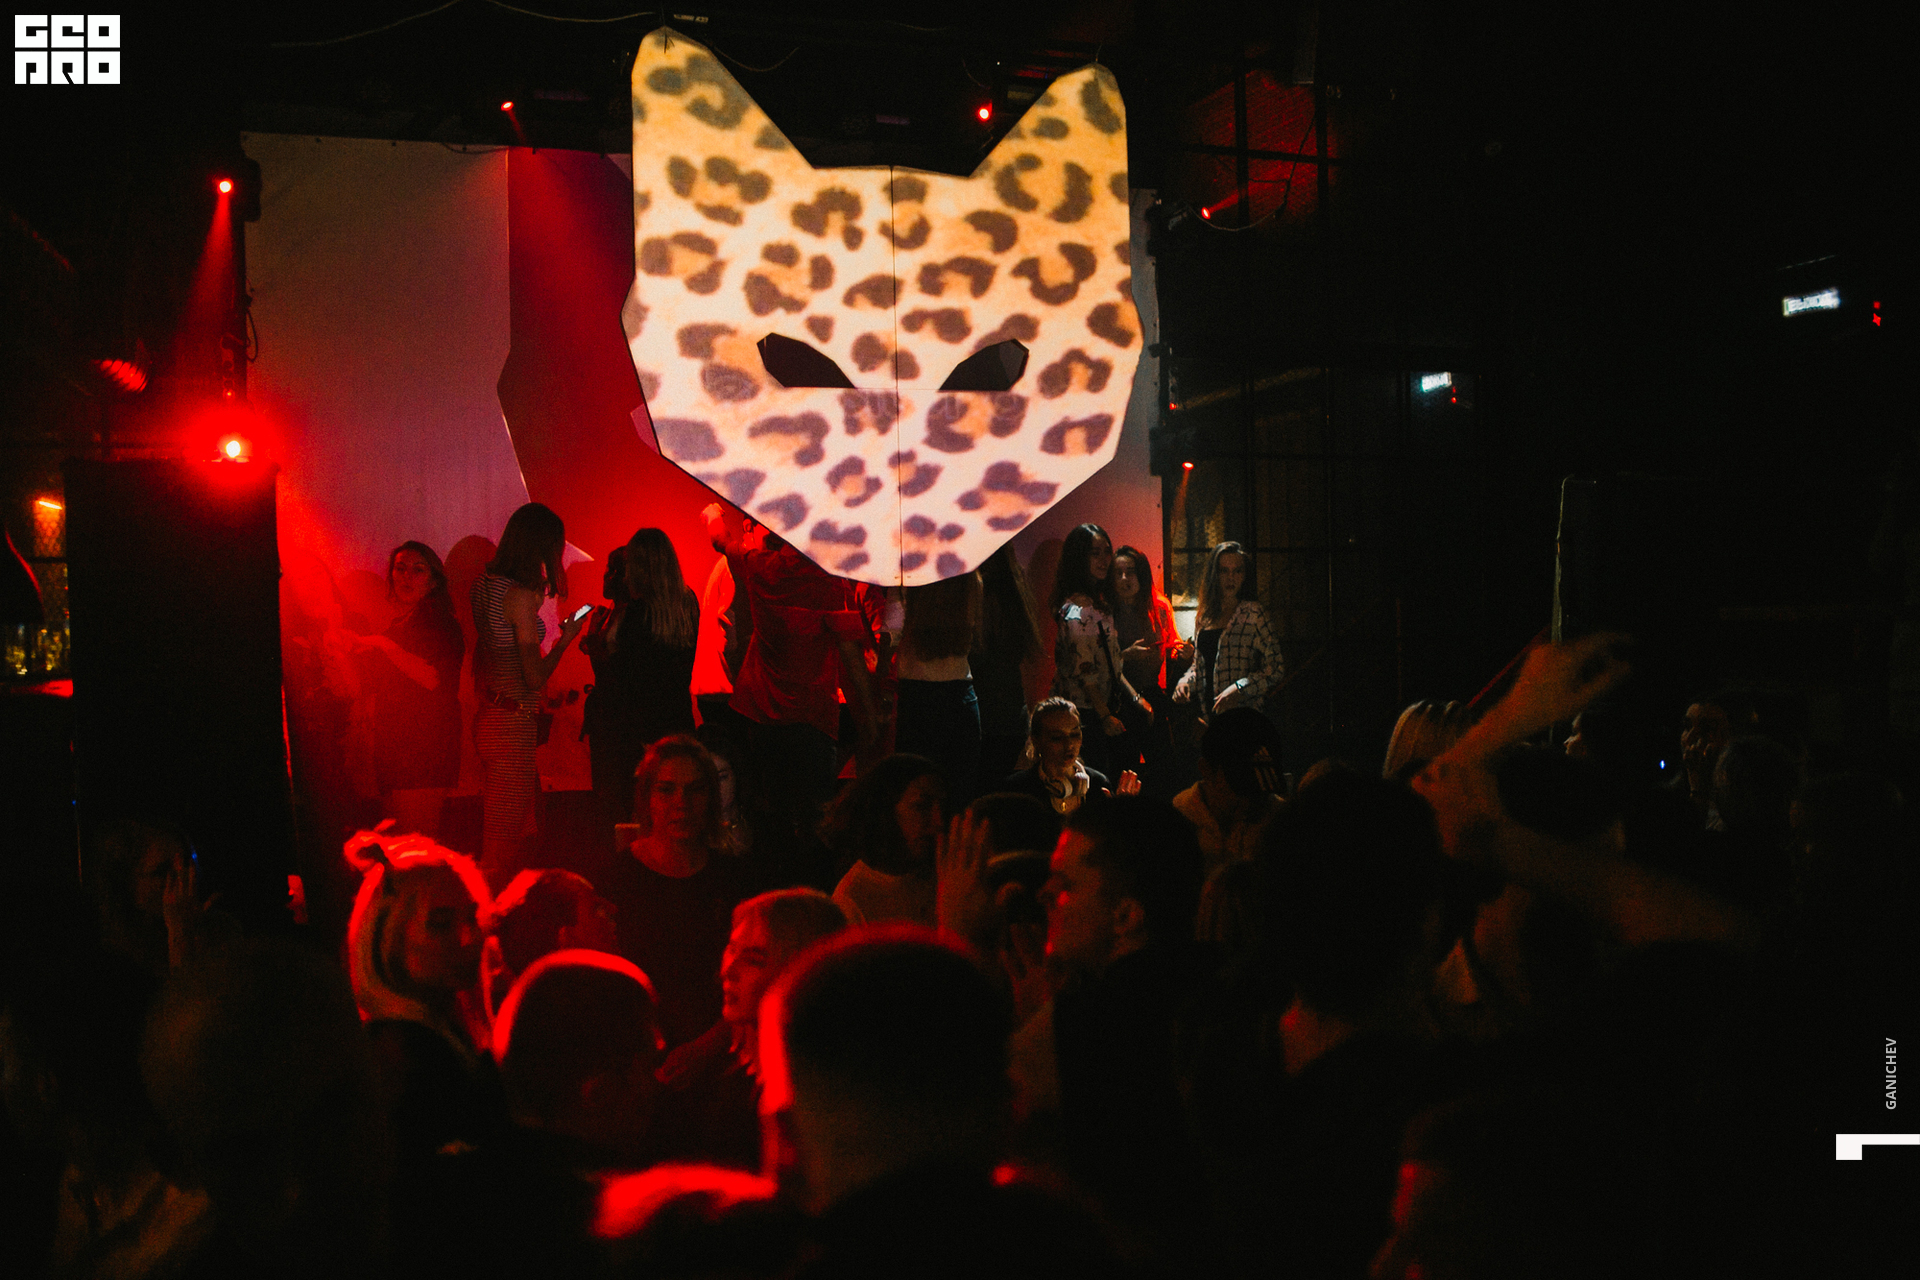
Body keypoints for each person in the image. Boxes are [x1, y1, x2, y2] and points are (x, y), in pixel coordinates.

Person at [398, 951, 667, 1279]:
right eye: (648, 1063)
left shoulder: (436, 1199)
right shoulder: (608, 1230)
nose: (656, 1084)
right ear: (597, 1090)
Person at [1020, 796, 1208, 1260]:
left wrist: (959, 937)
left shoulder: (1085, 1021)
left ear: (1126, 915)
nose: (1044, 895)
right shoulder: (1226, 989)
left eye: (1065, 884)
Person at [703, 503, 881, 865]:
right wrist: (871, 722)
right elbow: (849, 656)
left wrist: (713, 511)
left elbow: (720, 539)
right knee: (818, 821)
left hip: (762, 715)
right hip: (813, 717)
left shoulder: (760, 566)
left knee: (773, 817)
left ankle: (776, 883)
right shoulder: (830, 580)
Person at [654, 889, 849, 1170]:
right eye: (732, 949)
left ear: (798, 969)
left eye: (754, 959)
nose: (728, 970)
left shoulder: (807, 1098)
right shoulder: (733, 1081)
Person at [342, 831, 502, 1166]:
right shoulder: (399, 1056)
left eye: (472, 917)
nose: (469, 938)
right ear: (388, 937)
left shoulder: (438, 1034)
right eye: (440, 924)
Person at [600, 735, 751, 1049]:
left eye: (695, 790)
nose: (681, 803)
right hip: (637, 1048)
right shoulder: (615, 878)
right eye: (666, 790)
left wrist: (706, 1048)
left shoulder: (733, 878)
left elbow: (755, 979)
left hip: (721, 1047)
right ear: (647, 798)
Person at [471, 502, 588, 886]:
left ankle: (507, 913)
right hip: (511, 724)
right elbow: (534, 677)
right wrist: (564, 640)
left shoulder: (484, 585)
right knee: (500, 850)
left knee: (521, 833)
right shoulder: (519, 596)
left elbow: (490, 655)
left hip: (494, 717)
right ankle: (489, 917)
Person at [582, 529, 700, 826]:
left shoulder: (636, 612)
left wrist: (598, 646)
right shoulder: (688, 602)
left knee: (634, 811)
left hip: (635, 729)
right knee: (674, 810)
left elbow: (622, 678)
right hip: (676, 719)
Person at [355, 541, 465, 838]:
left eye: (418, 570)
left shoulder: (440, 624)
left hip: (423, 753)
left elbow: (433, 679)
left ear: (434, 581)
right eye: (400, 568)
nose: (406, 577)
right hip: (396, 752)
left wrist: (384, 646)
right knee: (399, 848)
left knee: (415, 849)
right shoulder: (399, 625)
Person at [1049, 523, 1154, 780]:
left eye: (1107, 551)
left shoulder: (1097, 602)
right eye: (1095, 553)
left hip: (1098, 709)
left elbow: (1110, 662)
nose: (1104, 559)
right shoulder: (1077, 608)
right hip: (1083, 713)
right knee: (1094, 781)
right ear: (1079, 558)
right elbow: (1086, 673)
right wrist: (1105, 715)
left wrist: (1135, 699)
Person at [893, 571, 983, 808]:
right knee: (958, 795)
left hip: (917, 693)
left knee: (916, 793)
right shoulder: (969, 578)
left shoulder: (906, 577)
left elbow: (891, 634)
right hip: (960, 692)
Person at [824, 754, 944, 927]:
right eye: (921, 806)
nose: (938, 821)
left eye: (942, 806)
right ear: (885, 811)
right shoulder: (853, 899)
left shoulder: (943, 877)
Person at [1174, 540, 1283, 727]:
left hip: (1243, 716)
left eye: (1237, 571)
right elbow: (1199, 666)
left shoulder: (1253, 614)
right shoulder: (1205, 615)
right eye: (1224, 571)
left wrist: (1240, 688)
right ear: (1214, 574)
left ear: (1244, 575)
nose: (1230, 578)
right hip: (1209, 717)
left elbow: (1276, 668)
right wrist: (1184, 684)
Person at [485, 868, 618, 1015]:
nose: (612, 909)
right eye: (595, 908)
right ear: (567, 941)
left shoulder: (529, 1018)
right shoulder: (599, 1017)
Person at [1110, 544, 1187, 793]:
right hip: (1119, 699)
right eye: (1118, 573)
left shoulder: (1159, 606)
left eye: (1131, 571)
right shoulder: (1107, 611)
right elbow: (1101, 662)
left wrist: (1182, 651)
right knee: (1124, 768)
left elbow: (1172, 641)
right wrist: (1125, 656)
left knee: (1164, 770)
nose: (1124, 579)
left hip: (1152, 692)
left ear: (1142, 574)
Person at [1173, 707, 1287, 875]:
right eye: (1242, 787)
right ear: (1206, 770)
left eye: (1261, 792)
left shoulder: (1279, 819)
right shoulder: (1179, 823)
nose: (1250, 802)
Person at [971, 545, 1046, 795]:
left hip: (986, 712)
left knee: (980, 790)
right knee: (996, 789)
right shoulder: (1014, 591)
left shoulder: (980, 594)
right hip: (1010, 712)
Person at [1002, 697, 1127, 816]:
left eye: (1075, 734)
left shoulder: (1098, 784)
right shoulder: (1017, 790)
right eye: (1057, 738)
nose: (1069, 744)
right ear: (1036, 741)